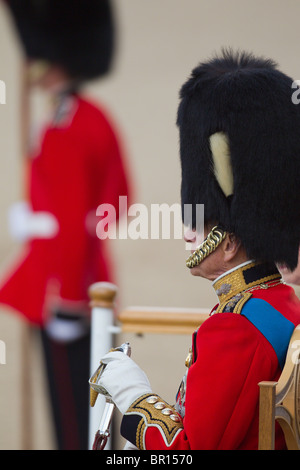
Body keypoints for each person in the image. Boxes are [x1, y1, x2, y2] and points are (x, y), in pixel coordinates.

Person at [95, 50, 300, 450]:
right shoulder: (280, 301)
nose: (188, 231)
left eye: (201, 219)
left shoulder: (235, 327)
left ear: (231, 240)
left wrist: (133, 395)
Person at [0, 0, 131, 450]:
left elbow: (74, 222)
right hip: (93, 284)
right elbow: (118, 201)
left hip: (66, 294)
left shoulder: (65, 126)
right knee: (97, 420)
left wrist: (68, 297)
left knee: (75, 428)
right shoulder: (95, 117)